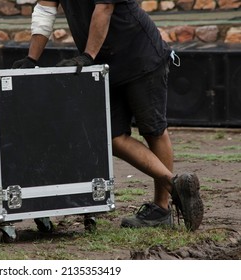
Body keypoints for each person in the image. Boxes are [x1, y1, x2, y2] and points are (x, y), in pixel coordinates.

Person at [12, 0, 204, 231]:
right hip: (104, 66)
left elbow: (104, 8)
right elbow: (45, 10)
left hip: (140, 56)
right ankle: (175, 184)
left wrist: (88, 56)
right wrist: (32, 59)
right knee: (110, 135)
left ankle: (161, 208)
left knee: (154, 130)